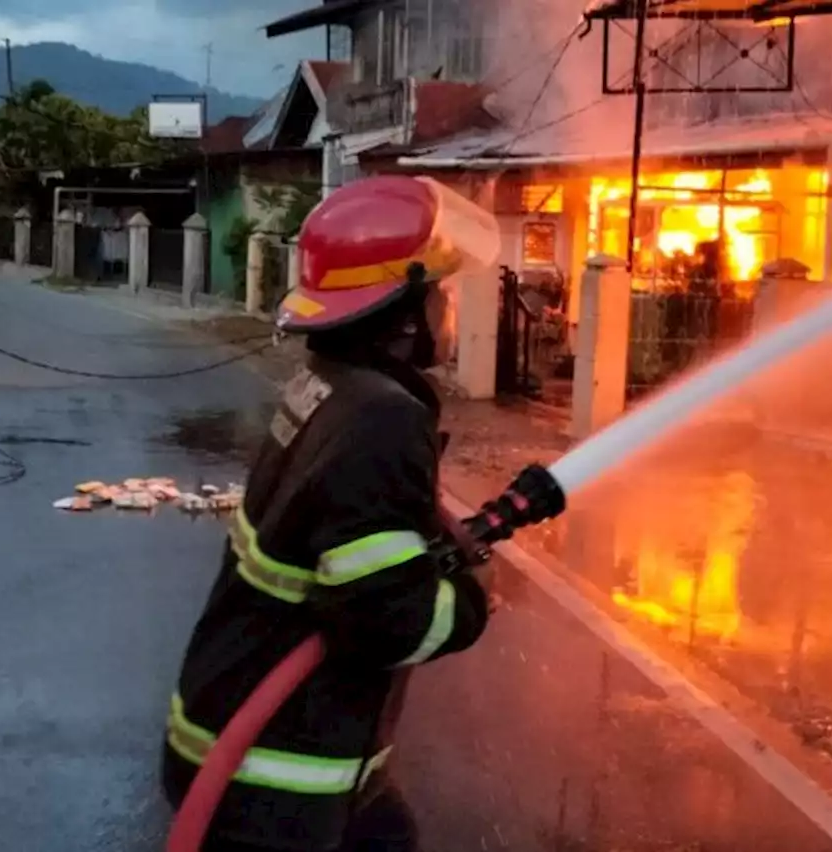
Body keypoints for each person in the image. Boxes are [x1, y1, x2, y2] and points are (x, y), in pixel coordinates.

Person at [161, 176, 566, 852]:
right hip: (278, 780)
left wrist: (444, 544)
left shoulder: (333, 385)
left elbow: (354, 540)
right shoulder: (380, 419)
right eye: (437, 291)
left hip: (243, 734)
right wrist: (471, 594)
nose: (447, 307)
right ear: (405, 314)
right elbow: (388, 623)